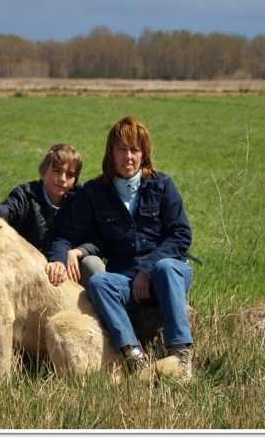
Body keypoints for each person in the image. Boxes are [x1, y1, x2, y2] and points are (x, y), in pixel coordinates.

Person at [46, 116, 195, 381]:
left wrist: (146, 269)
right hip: (125, 279)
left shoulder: (162, 185)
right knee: (100, 283)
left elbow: (180, 235)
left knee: (164, 266)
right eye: (121, 149)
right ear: (111, 153)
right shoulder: (94, 192)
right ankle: (135, 358)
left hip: (167, 273)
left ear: (144, 154)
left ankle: (180, 354)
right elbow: (66, 233)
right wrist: (59, 258)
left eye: (135, 150)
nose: (128, 156)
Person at [0, 143, 104, 382]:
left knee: (95, 267)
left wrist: (77, 252)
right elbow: (8, 209)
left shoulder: (79, 200)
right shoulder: (26, 195)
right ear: (43, 171)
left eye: (70, 175)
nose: (62, 179)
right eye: (56, 170)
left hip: (67, 273)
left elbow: (98, 236)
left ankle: (108, 334)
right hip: (25, 280)